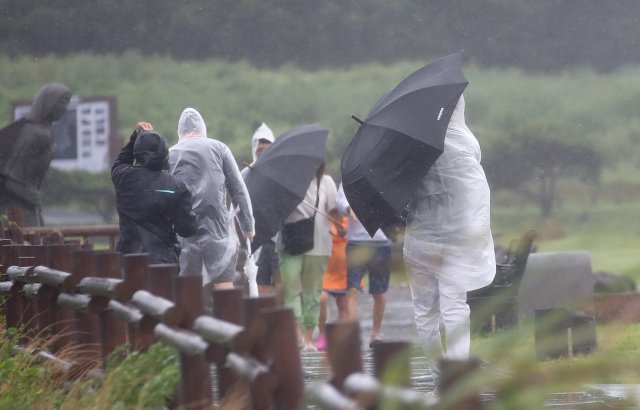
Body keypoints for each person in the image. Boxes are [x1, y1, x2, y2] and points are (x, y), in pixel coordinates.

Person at [403, 95, 496, 386]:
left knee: (425, 314)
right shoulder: (466, 143)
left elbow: (404, 192)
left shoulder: (412, 145)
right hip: (455, 241)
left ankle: (437, 379)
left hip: (419, 242)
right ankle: (456, 381)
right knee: (455, 309)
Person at [169, 107, 254, 291]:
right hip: (218, 231)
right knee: (224, 285)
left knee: (189, 288)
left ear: (179, 131)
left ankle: (192, 319)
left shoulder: (170, 154)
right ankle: (227, 316)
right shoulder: (219, 148)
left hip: (185, 233)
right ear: (203, 127)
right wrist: (248, 226)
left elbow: (164, 194)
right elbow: (238, 189)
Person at [111, 122, 197, 264]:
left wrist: (136, 137)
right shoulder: (176, 186)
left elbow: (120, 161)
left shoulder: (123, 178)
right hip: (163, 262)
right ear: (165, 154)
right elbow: (187, 229)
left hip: (127, 261)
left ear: (137, 153)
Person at [278, 161, 342, 352]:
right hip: (290, 244)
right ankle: (296, 333)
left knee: (312, 293)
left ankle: (308, 339)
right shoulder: (286, 182)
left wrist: (338, 224)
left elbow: (333, 210)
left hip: (319, 244)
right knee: (291, 291)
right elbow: (278, 209)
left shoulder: (326, 182)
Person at [0, 83, 72, 226]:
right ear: (50, 102)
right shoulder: (34, 133)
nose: (65, 108)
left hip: (28, 205)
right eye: (62, 102)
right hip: (16, 207)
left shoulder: (45, 131)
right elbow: (9, 177)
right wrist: (33, 198)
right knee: (28, 243)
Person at [336, 183, 392, 348]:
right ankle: (354, 335)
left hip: (381, 243)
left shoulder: (385, 178)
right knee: (352, 290)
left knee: (379, 293)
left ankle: (376, 334)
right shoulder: (349, 179)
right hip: (356, 243)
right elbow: (340, 202)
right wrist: (348, 208)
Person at [241, 123, 279, 296]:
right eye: (259, 149)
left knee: (282, 287)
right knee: (261, 286)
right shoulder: (245, 175)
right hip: (257, 239)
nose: (262, 153)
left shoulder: (280, 175)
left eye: (267, 149)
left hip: (280, 240)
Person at [315, 216, 349, 351]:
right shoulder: (324, 218)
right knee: (322, 299)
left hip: (343, 268)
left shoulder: (348, 219)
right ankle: (322, 333)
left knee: (342, 305)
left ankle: (344, 336)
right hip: (326, 267)